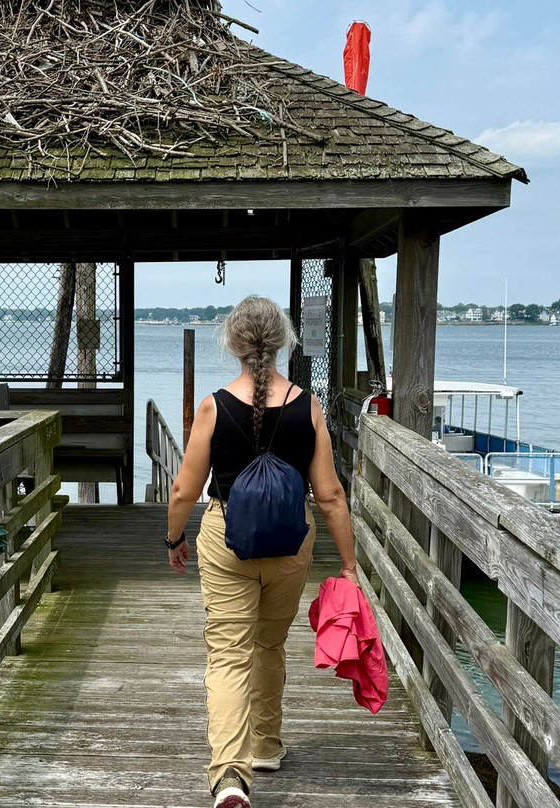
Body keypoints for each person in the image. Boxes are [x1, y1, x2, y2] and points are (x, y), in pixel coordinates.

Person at [164, 295, 360, 808]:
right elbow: (331, 495)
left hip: (227, 538)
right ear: (283, 341)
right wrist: (349, 564)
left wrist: (174, 538)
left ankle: (230, 776)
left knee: (229, 654)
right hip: (291, 542)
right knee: (269, 645)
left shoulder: (214, 405)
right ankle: (266, 745)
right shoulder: (307, 405)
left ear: (232, 342)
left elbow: (185, 490)